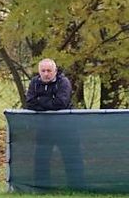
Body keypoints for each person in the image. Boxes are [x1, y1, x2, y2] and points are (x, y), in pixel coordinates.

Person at [24, 58, 85, 188]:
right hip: (44, 126)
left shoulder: (63, 82)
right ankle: (42, 188)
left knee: (72, 157)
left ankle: (77, 187)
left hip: (66, 126)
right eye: (43, 71)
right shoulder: (34, 83)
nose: (46, 74)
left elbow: (60, 103)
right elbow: (30, 103)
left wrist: (40, 101)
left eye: (49, 70)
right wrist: (49, 102)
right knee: (41, 158)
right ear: (39, 71)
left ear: (55, 71)